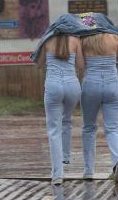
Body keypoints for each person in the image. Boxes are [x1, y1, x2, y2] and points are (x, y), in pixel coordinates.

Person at [80, 33, 118, 183]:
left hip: (91, 83)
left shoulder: (84, 39)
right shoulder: (113, 38)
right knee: (113, 127)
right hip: (112, 84)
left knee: (89, 127)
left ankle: (89, 170)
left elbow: (80, 65)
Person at [36, 34, 84, 185]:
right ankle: (65, 156)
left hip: (53, 84)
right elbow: (81, 65)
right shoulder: (75, 40)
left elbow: (38, 64)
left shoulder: (46, 40)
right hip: (72, 84)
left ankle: (57, 174)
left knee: (53, 129)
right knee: (66, 120)